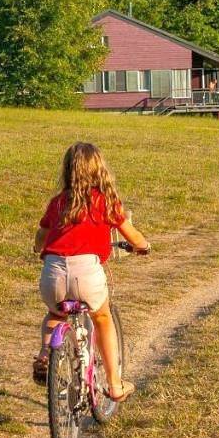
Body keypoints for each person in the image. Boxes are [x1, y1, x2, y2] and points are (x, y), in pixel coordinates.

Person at [32, 141, 150, 401]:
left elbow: (41, 235)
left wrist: (37, 247)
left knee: (55, 313)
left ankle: (44, 353)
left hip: (53, 271)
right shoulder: (105, 202)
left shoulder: (58, 203)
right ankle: (116, 386)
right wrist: (143, 246)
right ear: (100, 170)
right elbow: (133, 236)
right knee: (103, 318)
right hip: (87, 273)